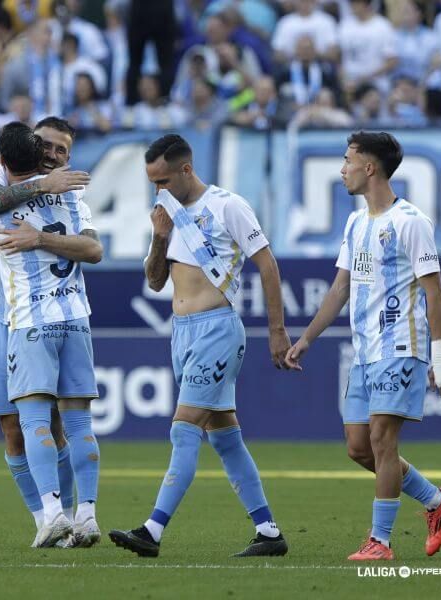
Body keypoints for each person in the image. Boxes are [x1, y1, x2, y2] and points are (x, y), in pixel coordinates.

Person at [109, 134, 291, 559]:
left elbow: (268, 265)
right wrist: (159, 237)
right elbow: (156, 282)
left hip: (217, 330)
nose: (158, 190)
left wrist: (277, 331)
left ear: (186, 170)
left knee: (183, 428)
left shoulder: (229, 206)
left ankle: (152, 530)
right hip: (182, 333)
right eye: (152, 182)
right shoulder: (167, 215)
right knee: (224, 438)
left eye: (164, 180)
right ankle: (268, 531)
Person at [285, 131, 441, 561]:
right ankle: (437, 501)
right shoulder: (355, 222)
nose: (341, 169)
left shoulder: (411, 222)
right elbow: (340, 288)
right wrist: (307, 338)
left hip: (401, 345)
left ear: (370, 167)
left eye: (348, 160)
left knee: (383, 439)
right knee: (359, 447)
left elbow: (434, 292)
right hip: (365, 352)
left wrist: (440, 358)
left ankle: (379, 542)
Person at [0, 119, 101, 548]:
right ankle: (49, 520)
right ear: (35, 148)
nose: (55, 156)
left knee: (51, 421)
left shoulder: (57, 192)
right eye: (48, 147)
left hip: (32, 318)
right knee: (13, 427)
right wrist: (37, 186)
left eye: (64, 151)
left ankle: (67, 515)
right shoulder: (6, 183)